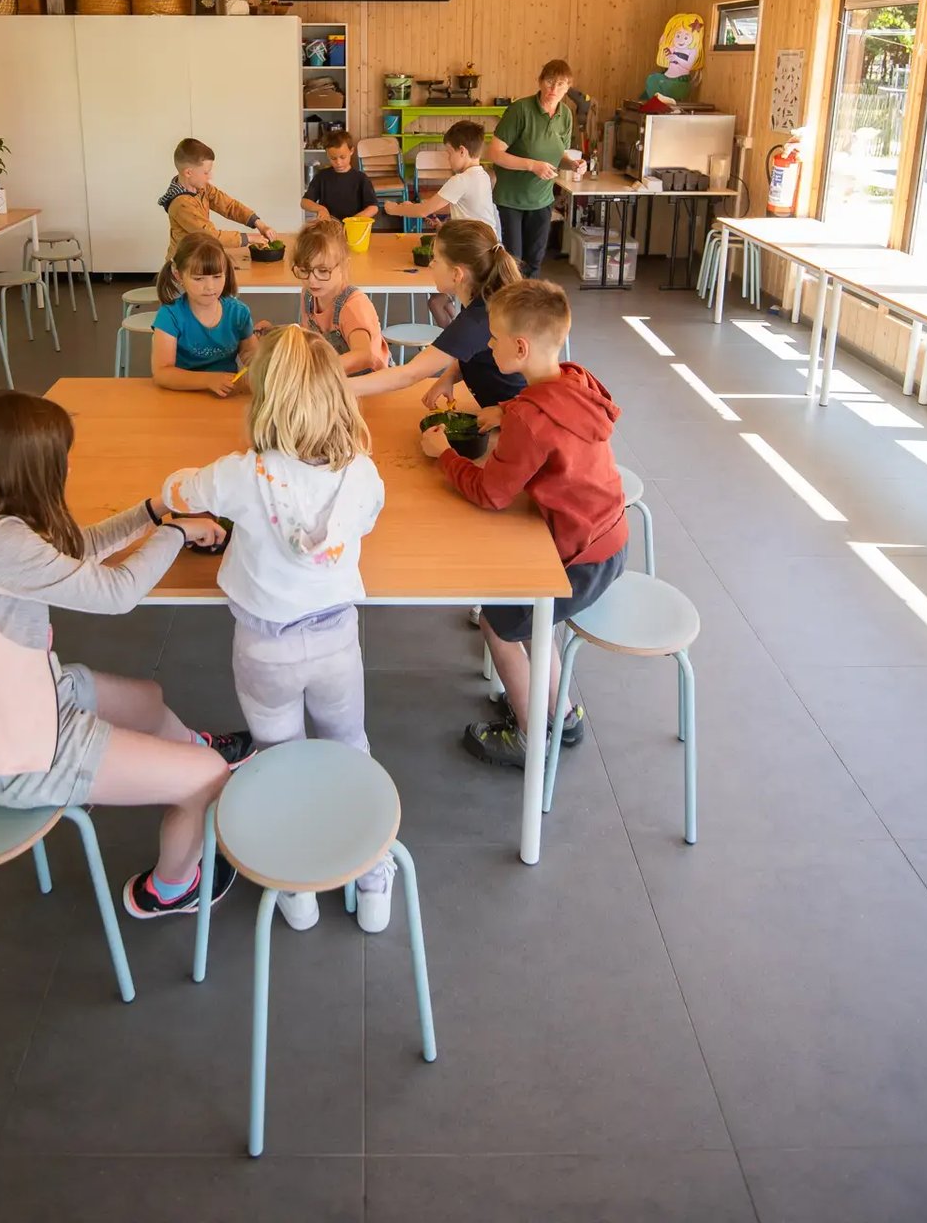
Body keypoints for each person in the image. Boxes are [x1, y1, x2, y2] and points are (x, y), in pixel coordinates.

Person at [0, 390, 254, 923]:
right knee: (208, 779)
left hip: (24, 698)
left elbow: (72, 554)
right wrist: (176, 532)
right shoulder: (1, 546)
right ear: (29, 472)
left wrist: (154, 510)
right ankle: (170, 888)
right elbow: (116, 594)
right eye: (61, 457)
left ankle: (188, 748)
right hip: (16, 752)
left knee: (148, 700)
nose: (69, 464)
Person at [161, 325, 392, 932]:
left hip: (265, 648)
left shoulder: (244, 473)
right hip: (338, 639)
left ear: (264, 402)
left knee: (277, 757)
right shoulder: (363, 476)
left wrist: (175, 492)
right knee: (351, 744)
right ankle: (373, 878)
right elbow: (364, 522)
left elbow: (180, 490)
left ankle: (296, 890)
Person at [419, 279, 628, 769]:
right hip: (607, 538)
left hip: (579, 558)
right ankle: (560, 712)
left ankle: (532, 737)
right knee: (531, 614)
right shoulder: (574, 378)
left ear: (519, 347)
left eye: (493, 340)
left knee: (498, 622)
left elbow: (492, 493)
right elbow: (544, 410)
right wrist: (507, 410)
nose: (487, 348)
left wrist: (445, 454)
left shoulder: (531, 420)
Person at [355, 218, 524, 414]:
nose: (431, 265)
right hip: (504, 413)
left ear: (457, 274)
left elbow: (408, 375)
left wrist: (337, 388)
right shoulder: (485, 303)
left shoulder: (476, 320)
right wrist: (450, 376)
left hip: (517, 420)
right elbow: (471, 351)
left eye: (435, 259)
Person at [382, 120, 500, 323]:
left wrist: (396, 209)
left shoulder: (461, 180)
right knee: (447, 303)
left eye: (448, 153)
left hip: (473, 254)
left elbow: (423, 210)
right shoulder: (481, 176)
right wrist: (442, 226)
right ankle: (457, 340)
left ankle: (453, 348)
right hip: (482, 249)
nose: (448, 158)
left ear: (462, 151)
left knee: (437, 303)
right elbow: (465, 210)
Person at [489, 60, 581, 277]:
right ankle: (508, 307)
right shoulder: (520, 110)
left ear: (568, 87)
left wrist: (572, 163)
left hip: (542, 201)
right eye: (549, 82)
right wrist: (531, 165)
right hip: (510, 199)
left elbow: (558, 155)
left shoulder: (566, 115)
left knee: (534, 262)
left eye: (560, 84)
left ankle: (526, 307)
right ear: (540, 82)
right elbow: (494, 154)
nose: (553, 89)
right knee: (512, 262)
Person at [151, 234, 258, 396]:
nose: (210, 287)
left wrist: (264, 350)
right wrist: (208, 381)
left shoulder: (238, 312)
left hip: (225, 397)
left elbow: (251, 355)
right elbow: (162, 373)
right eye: (199, 278)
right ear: (178, 276)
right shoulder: (170, 316)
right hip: (179, 397)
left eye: (217, 277)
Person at [293, 219, 390, 375]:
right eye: (304, 270)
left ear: (344, 266)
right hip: (336, 378)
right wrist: (275, 333)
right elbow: (308, 335)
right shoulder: (309, 295)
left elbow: (364, 356)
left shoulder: (352, 306)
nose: (311, 280)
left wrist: (319, 371)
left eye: (323, 271)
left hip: (371, 383)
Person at [159, 136, 278, 261]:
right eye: (206, 172)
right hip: (183, 265)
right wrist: (250, 238)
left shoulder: (202, 188)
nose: (210, 176)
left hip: (199, 257)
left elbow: (229, 206)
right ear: (188, 173)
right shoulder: (181, 204)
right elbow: (210, 235)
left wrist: (259, 224)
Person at [301, 128, 379, 224]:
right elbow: (304, 202)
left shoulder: (361, 179)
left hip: (354, 228)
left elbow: (373, 207)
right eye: (333, 158)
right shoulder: (322, 177)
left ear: (351, 151)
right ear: (327, 154)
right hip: (329, 228)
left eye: (343, 157)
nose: (338, 162)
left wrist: (355, 219)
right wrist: (320, 209)